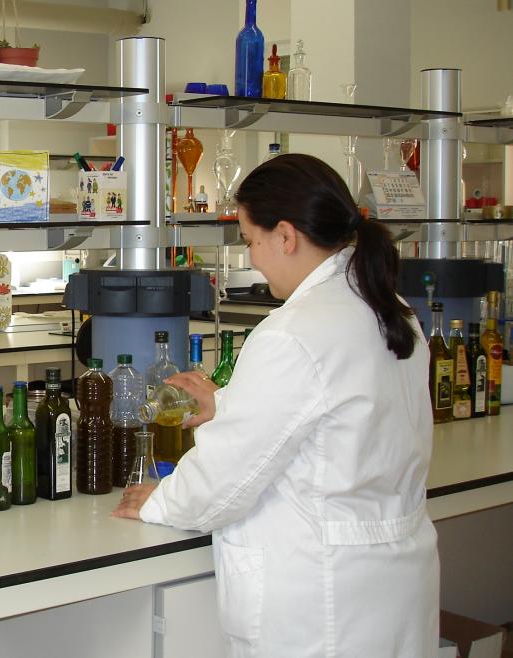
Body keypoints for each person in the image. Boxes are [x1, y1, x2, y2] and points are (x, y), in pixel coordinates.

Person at [113, 154, 439, 656]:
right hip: (392, 583)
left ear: (285, 236)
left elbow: (225, 484)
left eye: (249, 240)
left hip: (321, 598)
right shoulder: (390, 310)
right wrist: (232, 407)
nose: (253, 259)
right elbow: (338, 428)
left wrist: (159, 500)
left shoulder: (294, 332)